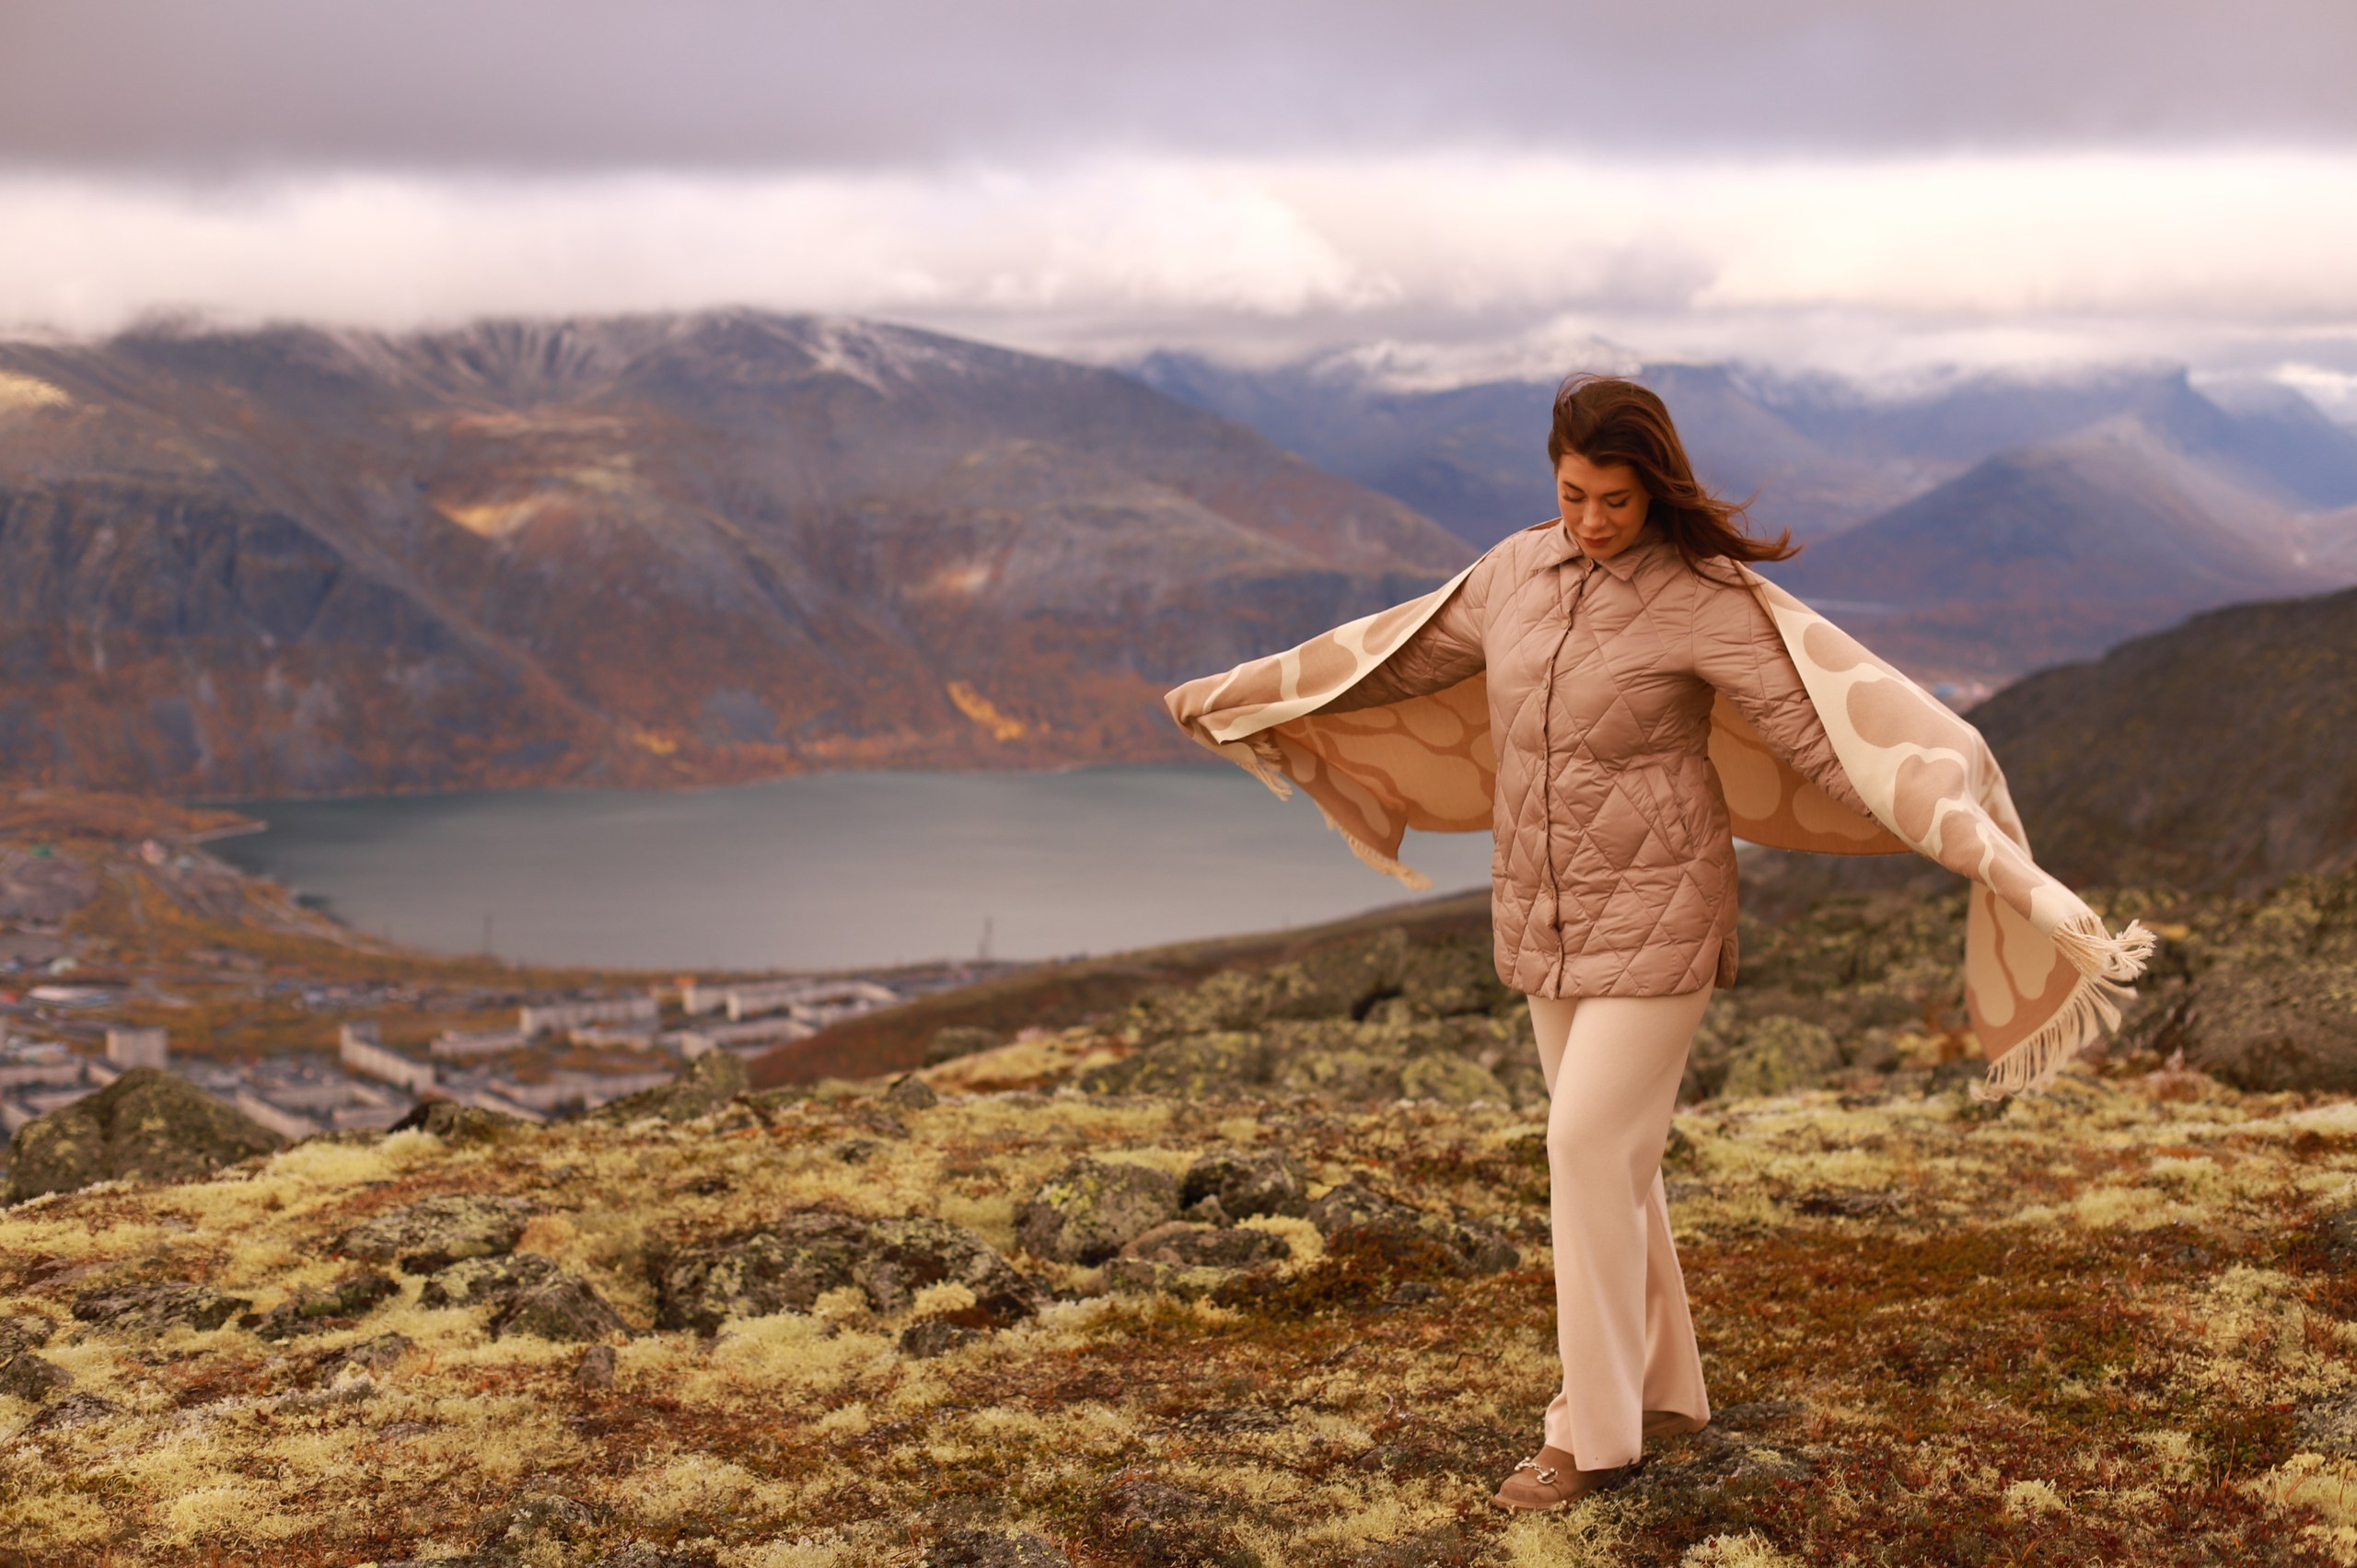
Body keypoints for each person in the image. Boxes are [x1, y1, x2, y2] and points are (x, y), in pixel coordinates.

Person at [1161, 374, 2152, 1513]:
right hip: (1540, 916)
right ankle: (1667, 1389)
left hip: (1664, 912)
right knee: (1617, 1162)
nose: (1590, 521)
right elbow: (1390, 657)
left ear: (1657, 488)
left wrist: (1976, 846)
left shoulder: (1703, 599)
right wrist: (1242, 697)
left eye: (1616, 501)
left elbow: (1828, 740)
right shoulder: (1512, 571)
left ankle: (1588, 1436)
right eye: (1574, 494)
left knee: (1583, 1148)